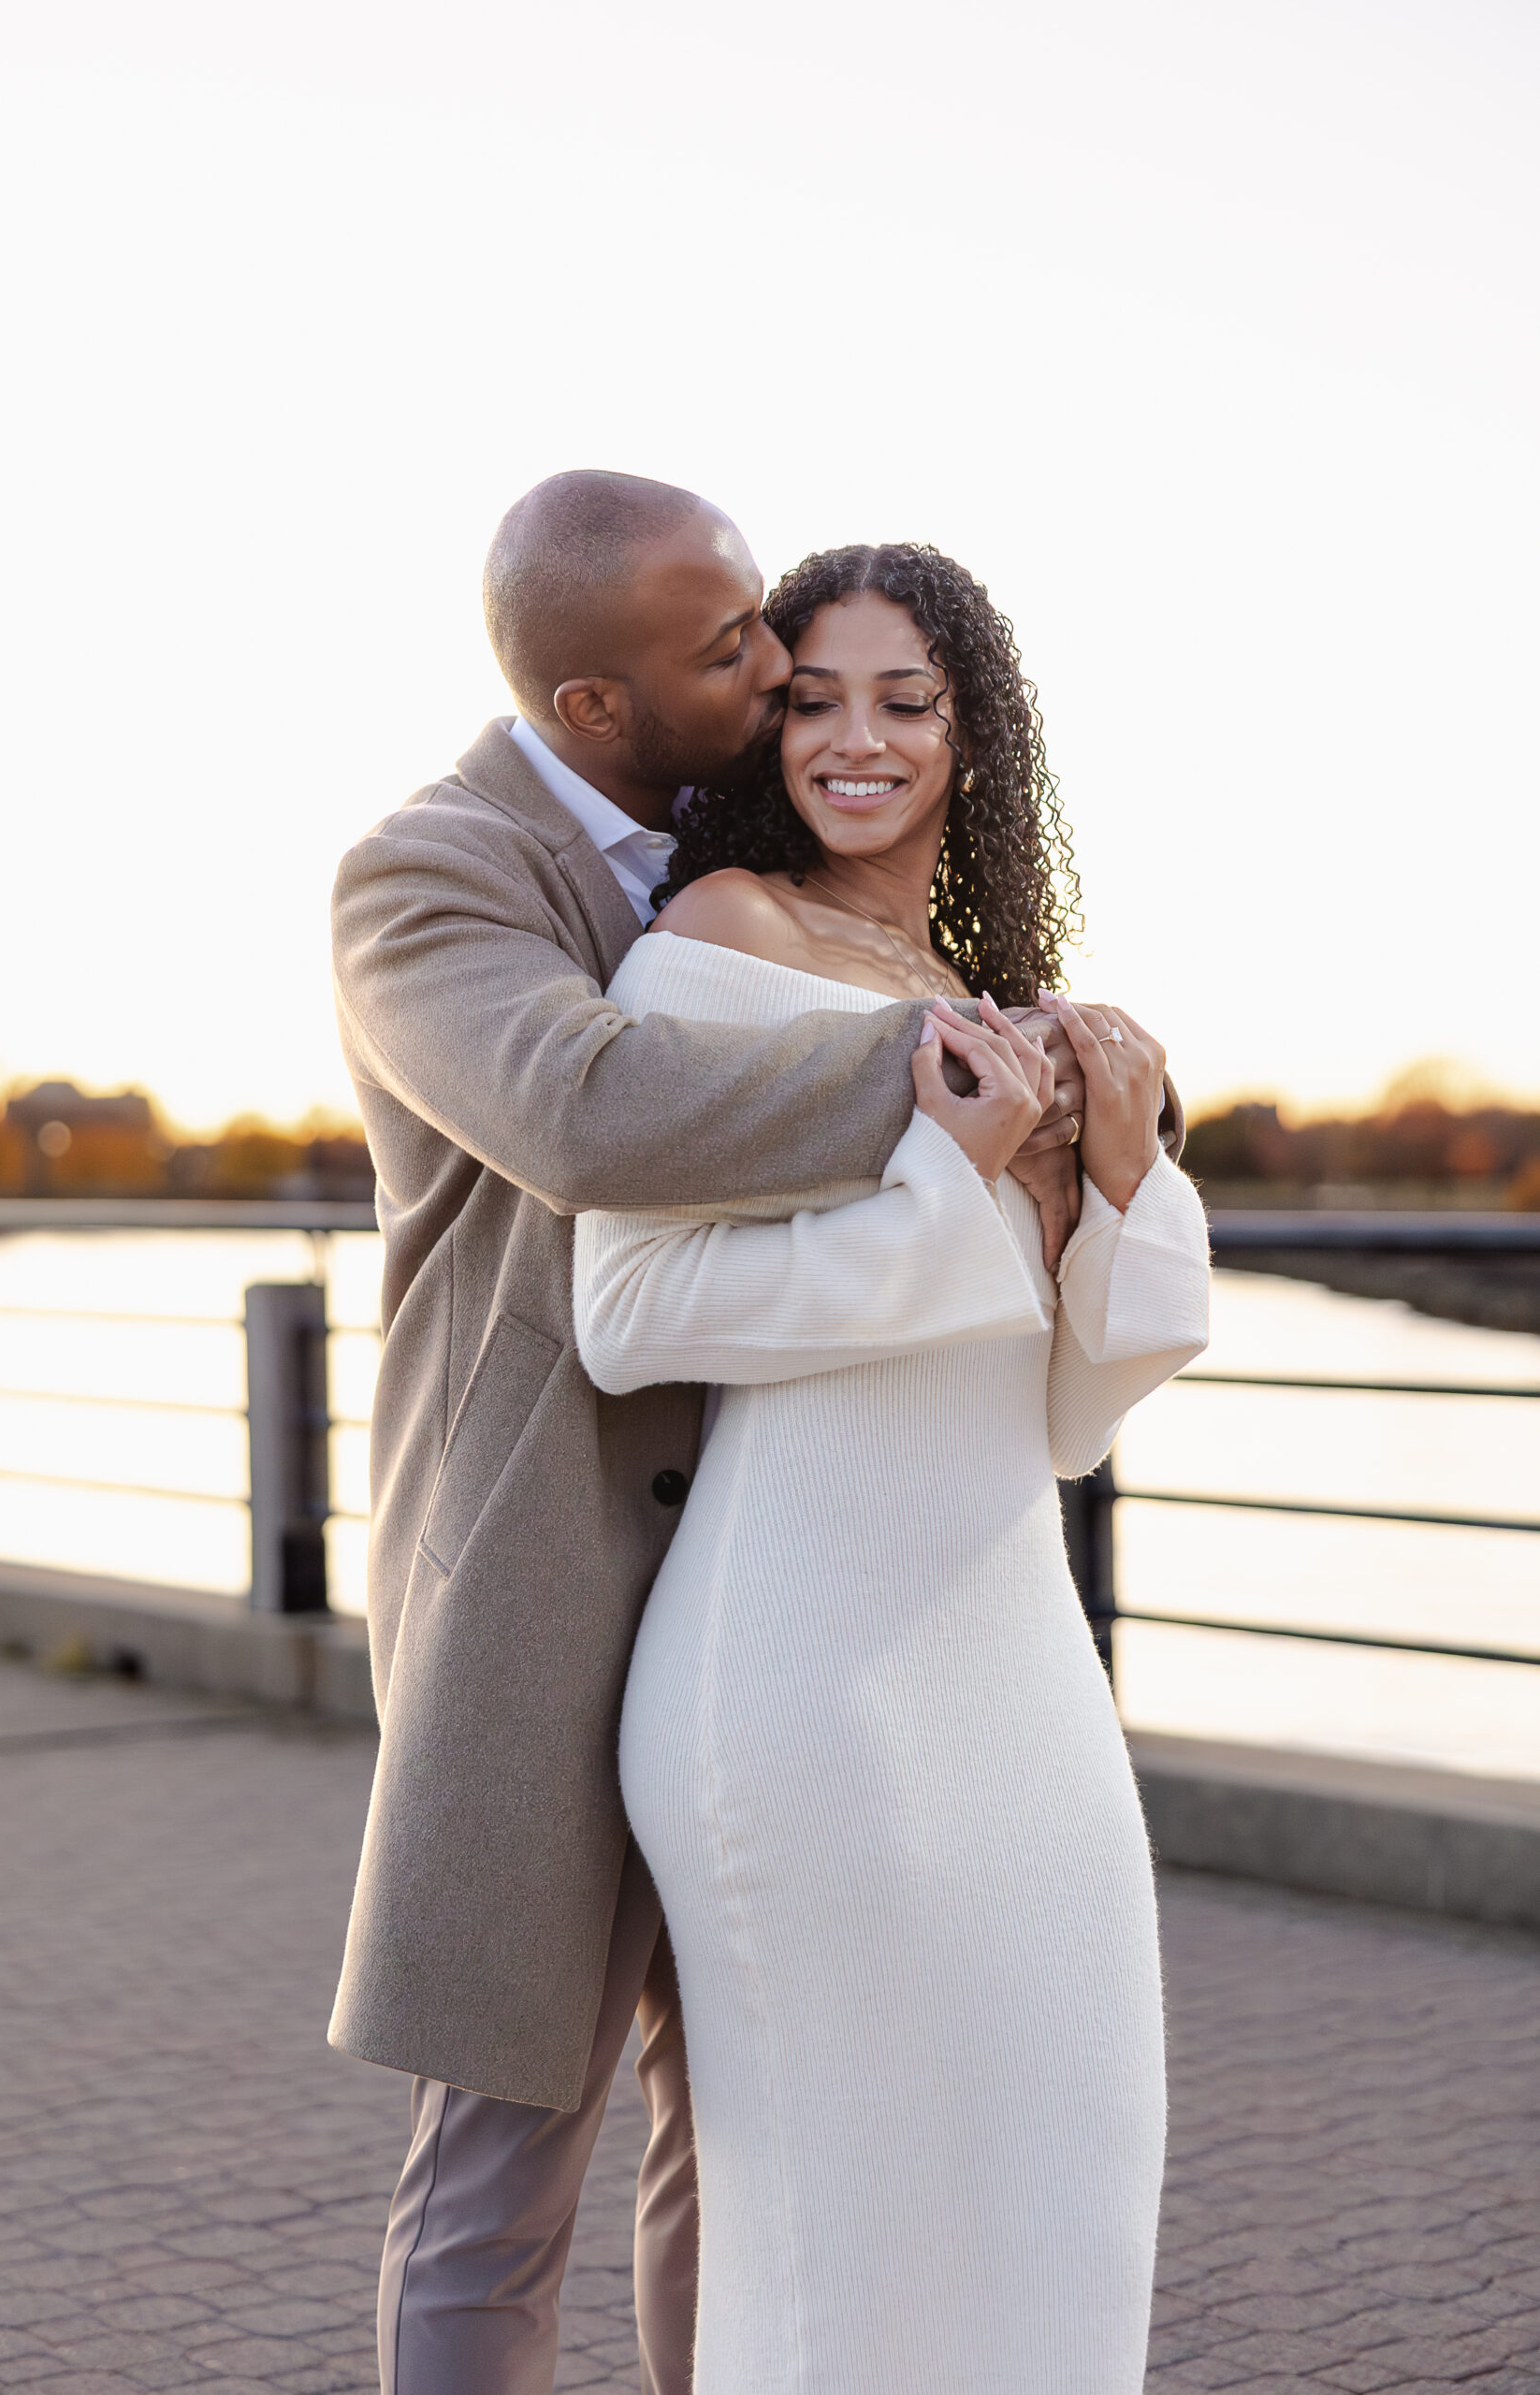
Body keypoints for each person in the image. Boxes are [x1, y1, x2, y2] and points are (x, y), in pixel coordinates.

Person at [327, 476, 1107, 2395]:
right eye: (729, 648)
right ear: (595, 702)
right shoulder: (426, 870)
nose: (773, 674)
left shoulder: (727, 849)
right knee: (500, 2161)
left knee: (744, 2140)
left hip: (766, 1595)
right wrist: (970, 1059)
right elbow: (584, 1110)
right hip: (543, 1569)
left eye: (764, 620)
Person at [574, 542, 1213, 2391]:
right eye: (812, 697)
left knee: (1066, 2154)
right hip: (800, 1660)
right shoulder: (712, 944)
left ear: (970, 734)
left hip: (1013, 1651)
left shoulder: (993, 990)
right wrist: (953, 1173)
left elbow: (1068, 1394)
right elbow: (630, 1310)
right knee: (841, 2224)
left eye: (902, 700)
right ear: (762, 726)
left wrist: (1103, 1173)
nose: (854, 738)